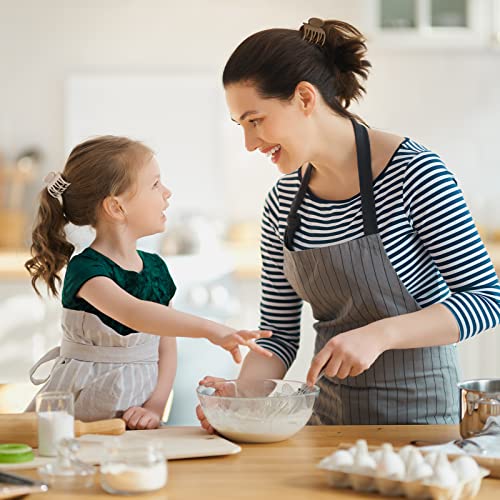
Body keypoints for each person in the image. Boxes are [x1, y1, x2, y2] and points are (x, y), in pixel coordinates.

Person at [197, 18, 500, 428]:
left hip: (423, 423)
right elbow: (279, 336)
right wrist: (242, 395)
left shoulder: (415, 173)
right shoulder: (283, 202)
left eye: (256, 121)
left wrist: (380, 335)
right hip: (330, 422)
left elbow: (484, 300)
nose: (250, 144)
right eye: (242, 127)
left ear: (304, 98)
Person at [25, 135, 272, 429]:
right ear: (116, 207)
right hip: (77, 415)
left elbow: (166, 346)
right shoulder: (87, 271)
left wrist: (155, 407)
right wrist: (211, 329)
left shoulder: (155, 268)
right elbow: (135, 314)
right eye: (155, 184)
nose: (166, 193)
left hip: (135, 418)